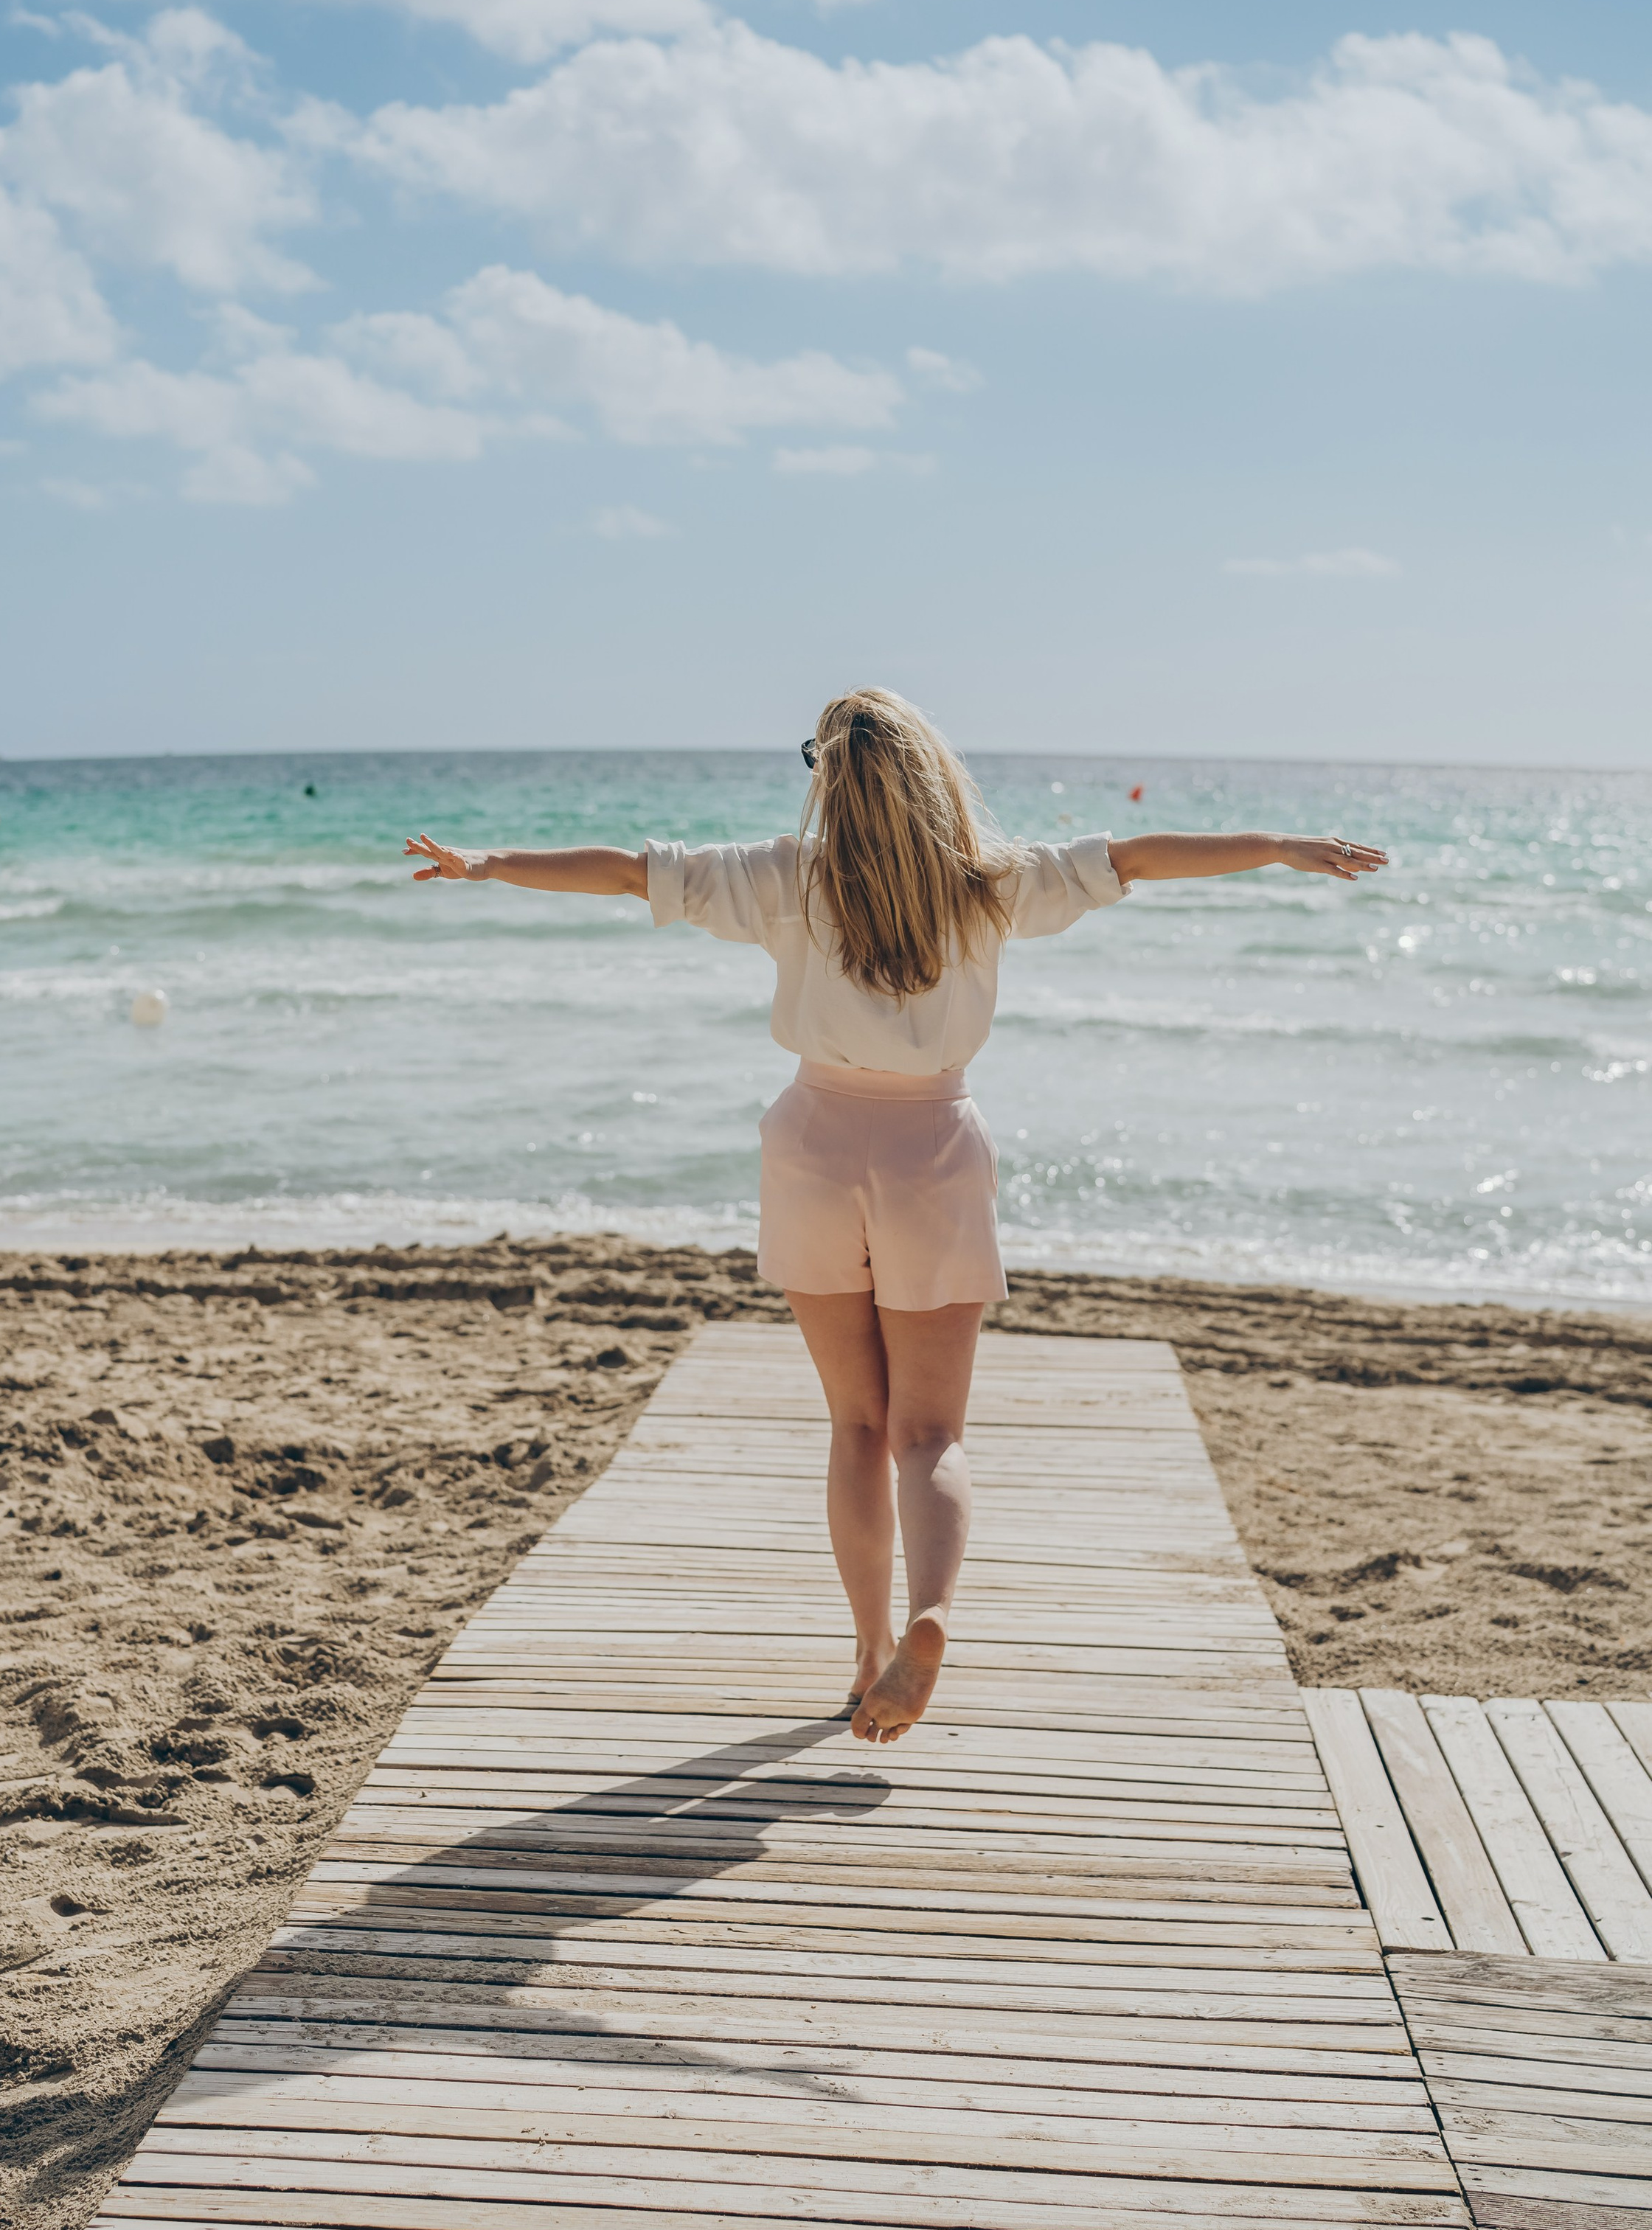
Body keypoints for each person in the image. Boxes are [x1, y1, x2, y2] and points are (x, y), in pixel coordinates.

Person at [406, 687, 1386, 1746]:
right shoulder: (992, 885)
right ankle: (933, 1615)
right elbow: (1141, 856)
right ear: (933, 775)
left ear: (827, 780)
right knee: (931, 1433)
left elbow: (628, 869)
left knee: (857, 1426)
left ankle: (870, 1650)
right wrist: (1284, 846)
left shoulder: (785, 880)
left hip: (815, 1146)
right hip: (933, 1153)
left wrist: (488, 862)